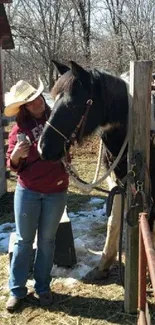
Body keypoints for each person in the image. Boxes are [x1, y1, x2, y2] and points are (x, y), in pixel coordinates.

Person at [4, 78, 69, 311]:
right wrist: (17, 156)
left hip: (55, 190)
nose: (38, 103)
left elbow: (72, 141)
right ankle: (17, 290)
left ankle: (42, 287)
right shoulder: (18, 130)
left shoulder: (58, 120)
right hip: (28, 192)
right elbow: (11, 163)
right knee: (23, 242)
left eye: (38, 98)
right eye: (31, 102)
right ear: (24, 107)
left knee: (47, 241)